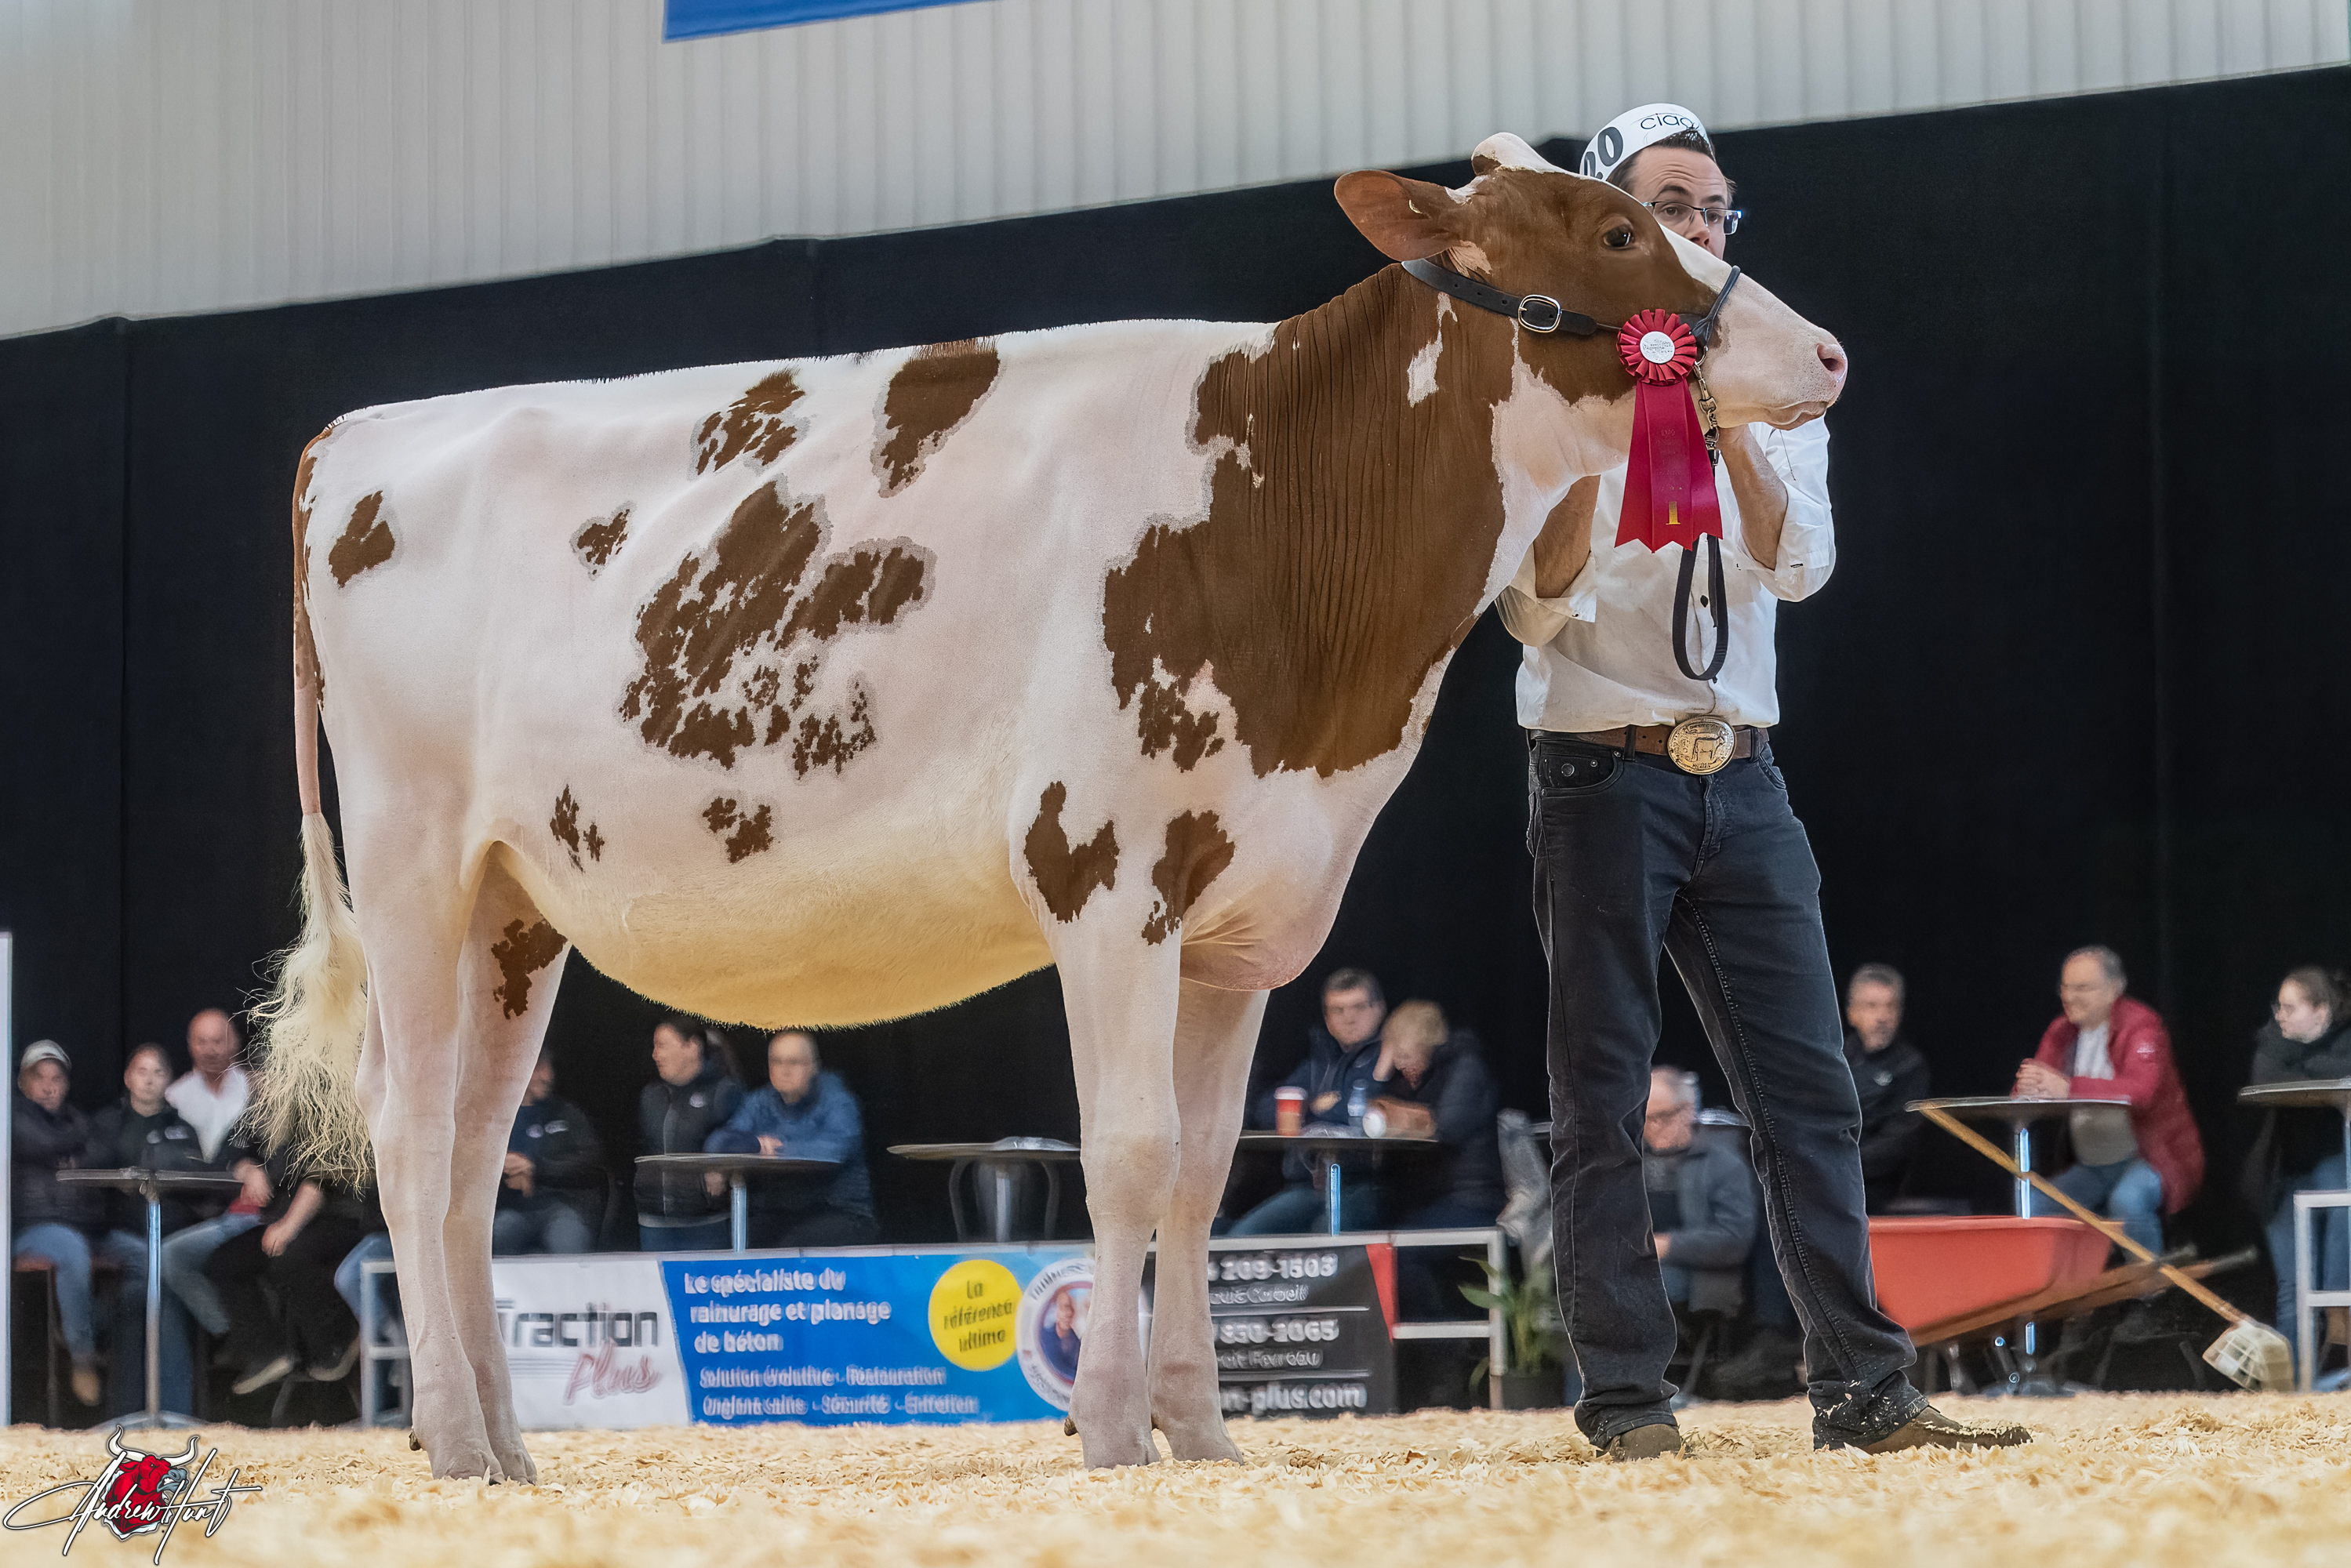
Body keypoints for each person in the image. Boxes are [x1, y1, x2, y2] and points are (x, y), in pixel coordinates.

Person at [1499, 103, 2014, 1456]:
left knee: (1810, 1096)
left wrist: (1716, 415)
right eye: (1671, 204)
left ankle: (1863, 1389)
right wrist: (1609, 436)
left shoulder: (1769, 373)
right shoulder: (1547, 382)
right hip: (1597, 776)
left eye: (1717, 208)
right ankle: (1625, 1403)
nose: (1703, 227)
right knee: (1601, 1100)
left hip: (1742, 776)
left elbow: (1800, 566)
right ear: (1613, 221)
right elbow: (1531, 611)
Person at [2015, 946, 2204, 1258]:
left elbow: (2141, 1092)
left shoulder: (2142, 1026)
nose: (2069, 997)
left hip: (2151, 1159)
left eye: (2082, 988)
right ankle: (2067, 1286)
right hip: (2094, 1165)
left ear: (2115, 988)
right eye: (2065, 987)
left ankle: (2149, 1285)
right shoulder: (2062, 1032)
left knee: (2128, 1200)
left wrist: (2068, 1088)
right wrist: (2026, 1091)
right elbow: (2035, 1089)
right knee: (2033, 1206)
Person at [83, 1042, 207, 1414]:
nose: (150, 1080)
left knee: (160, 1291)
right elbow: (92, 1176)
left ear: (169, 1080)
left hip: (171, 1235)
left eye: (158, 1072)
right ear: (127, 1078)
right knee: (145, 1288)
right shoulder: (107, 1124)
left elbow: (198, 1183)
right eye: (142, 1071)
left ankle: (169, 1411)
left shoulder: (181, 1128)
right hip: (120, 1235)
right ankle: (134, 1410)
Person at [204, 1145, 380, 1396]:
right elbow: (235, 1148)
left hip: (340, 1216)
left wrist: (288, 1227)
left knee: (290, 1259)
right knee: (225, 1262)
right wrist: (249, 1169)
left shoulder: (327, 1121)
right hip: (281, 1218)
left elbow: (323, 1176)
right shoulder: (269, 1120)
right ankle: (267, 1352)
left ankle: (337, 1344)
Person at [1229, 969, 1389, 1236]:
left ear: (1379, 1009)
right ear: (1327, 1018)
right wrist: (1315, 1106)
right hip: (1307, 1187)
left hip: (1367, 1185)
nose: (1349, 1018)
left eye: (1359, 1007)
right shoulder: (1320, 1062)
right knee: (1241, 1238)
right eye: (1338, 1010)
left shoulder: (1389, 1056)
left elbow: (1365, 1114)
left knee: (1325, 1233)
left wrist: (1314, 1110)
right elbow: (1266, 1110)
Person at [2244, 967, 2351, 1359]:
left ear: (2321, 1012)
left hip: (2335, 1161)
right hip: (2283, 1173)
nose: (2280, 1016)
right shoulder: (2273, 1039)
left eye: (2290, 1008)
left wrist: (2303, 1064)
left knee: (2344, 1202)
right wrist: (2314, 1064)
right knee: (2293, 1287)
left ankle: (2338, 1314)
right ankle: (2294, 1384)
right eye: (2279, 1007)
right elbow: (2265, 1075)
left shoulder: (2345, 1039)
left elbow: (2343, 1072)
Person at [11, 1041, 123, 1406]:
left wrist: (73, 1149)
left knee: (147, 1255)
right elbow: (39, 1142)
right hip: (33, 1228)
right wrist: (74, 1146)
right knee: (71, 1249)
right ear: (23, 1082)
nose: (48, 1087)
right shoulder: (12, 1115)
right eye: (39, 1078)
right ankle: (83, 1359)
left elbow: (105, 1152)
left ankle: (89, 1324)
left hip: (87, 1227)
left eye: (56, 1078)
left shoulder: (78, 1119)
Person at [706, 1031, 877, 1247]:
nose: (784, 1070)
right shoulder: (760, 1101)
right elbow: (720, 1140)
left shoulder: (838, 1101)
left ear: (814, 1066)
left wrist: (776, 1149)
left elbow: (832, 1152)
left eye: (794, 1062)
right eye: (777, 1062)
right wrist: (747, 1149)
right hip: (779, 1212)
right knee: (734, 1241)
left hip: (839, 1210)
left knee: (790, 1245)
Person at [1368, 1001, 1505, 1228]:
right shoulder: (1411, 1080)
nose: (1400, 1064)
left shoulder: (1465, 1067)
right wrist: (1381, 1072)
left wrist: (1399, 1115)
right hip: (1422, 1197)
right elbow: (1367, 1113)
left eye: (1405, 1055)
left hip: (1468, 1196)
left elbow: (1447, 1128)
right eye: (1395, 1057)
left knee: (1396, 1237)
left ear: (1426, 1045)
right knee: (1368, 1220)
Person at [1642, 1069, 1757, 1314]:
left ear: (1687, 1111)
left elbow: (1735, 1241)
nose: (1654, 1127)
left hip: (1699, 1288)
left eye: (1663, 1116)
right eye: (1646, 1118)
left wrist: (1664, 1246)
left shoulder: (1723, 1164)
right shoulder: (1632, 1162)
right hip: (1638, 1271)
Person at [636, 1018, 745, 1251]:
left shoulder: (723, 1092)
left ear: (692, 1047)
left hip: (707, 1222)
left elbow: (744, 1138)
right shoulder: (650, 1096)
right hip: (654, 1221)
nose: (655, 1055)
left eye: (662, 1045)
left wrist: (721, 1165)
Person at [492, 1052, 606, 1255]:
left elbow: (591, 1163)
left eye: (548, 1068)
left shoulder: (567, 1113)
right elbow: (470, 1167)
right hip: (513, 1209)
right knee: (489, 1241)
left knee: (569, 1247)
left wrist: (535, 1168)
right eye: (538, 1068)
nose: (547, 1077)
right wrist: (501, 1167)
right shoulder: (497, 1118)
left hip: (562, 1208)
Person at [1843, 964, 1931, 1211]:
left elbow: (1898, 1143)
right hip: (1827, 1182)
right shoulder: (1835, 1061)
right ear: (1852, 1013)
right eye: (1872, 1006)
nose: (1882, 1017)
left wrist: (1840, 1166)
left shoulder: (1911, 1066)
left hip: (1878, 1190)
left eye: (1890, 1007)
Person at [166, 1007, 249, 1161]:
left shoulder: (253, 1089)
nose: (210, 1051)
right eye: (202, 1042)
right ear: (190, 1045)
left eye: (217, 1041)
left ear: (234, 1043)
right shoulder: (175, 1096)